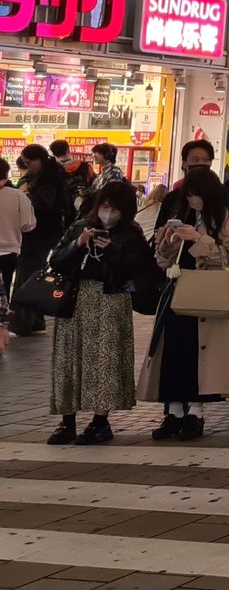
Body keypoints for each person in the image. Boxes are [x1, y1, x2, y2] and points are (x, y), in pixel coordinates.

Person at [141, 167, 229, 441]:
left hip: (208, 294)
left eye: (197, 194)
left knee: (200, 356)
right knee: (172, 352)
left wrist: (198, 238)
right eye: (188, 194)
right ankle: (174, 412)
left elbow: (227, 258)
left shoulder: (228, 217)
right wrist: (167, 240)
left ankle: (196, 412)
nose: (192, 200)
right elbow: (163, 260)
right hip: (177, 289)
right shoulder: (183, 215)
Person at [46, 179, 152, 445]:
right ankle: (66, 421)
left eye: (114, 208)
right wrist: (78, 244)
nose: (108, 212)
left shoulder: (131, 233)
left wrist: (113, 249)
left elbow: (139, 269)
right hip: (74, 301)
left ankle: (100, 421)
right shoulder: (81, 226)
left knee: (105, 362)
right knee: (69, 361)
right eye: (104, 206)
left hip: (110, 302)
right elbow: (56, 261)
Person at [10, 144, 71, 334]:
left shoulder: (49, 179)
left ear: (40, 160)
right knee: (32, 274)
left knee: (27, 276)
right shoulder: (49, 176)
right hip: (42, 234)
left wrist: (23, 196)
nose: (28, 166)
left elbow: (44, 205)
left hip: (39, 234)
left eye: (29, 162)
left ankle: (23, 322)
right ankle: (34, 320)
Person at [0, 162, 33, 305]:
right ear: (6, 175)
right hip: (10, 250)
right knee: (4, 291)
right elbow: (28, 225)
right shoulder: (18, 195)